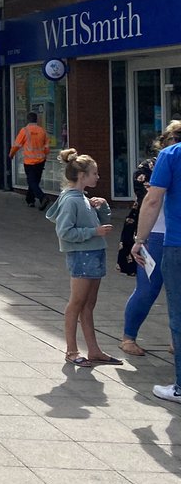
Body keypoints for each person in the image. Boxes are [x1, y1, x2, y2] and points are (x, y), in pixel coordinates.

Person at [46, 148, 119, 368]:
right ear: (81, 175)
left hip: (94, 253)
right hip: (82, 255)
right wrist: (93, 233)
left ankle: (94, 350)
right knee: (77, 303)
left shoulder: (83, 198)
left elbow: (98, 223)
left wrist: (103, 206)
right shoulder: (72, 200)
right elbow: (65, 232)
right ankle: (71, 350)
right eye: (94, 173)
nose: (97, 177)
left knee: (88, 304)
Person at [133, 119, 181, 403]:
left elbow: (153, 201)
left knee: (179, 314)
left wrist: (140, 240)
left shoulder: (170, 155)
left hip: (177, 243)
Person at [120, 128, 177, 356]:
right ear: (163, 142)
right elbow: (150, 200)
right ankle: (128, 337)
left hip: (173, 234)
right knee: (147, 289)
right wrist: (140, 239)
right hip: (155, 234)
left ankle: (176, 341)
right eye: (174, 139)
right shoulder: (151, 166)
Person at [10, 112, 50, 210]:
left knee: (32, 181)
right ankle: (30, 200)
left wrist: (11, 155)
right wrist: (44, 156)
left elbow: (16, 145)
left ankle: (42, 197)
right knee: (35, 182)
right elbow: (47, 147)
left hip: (29, 162)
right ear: (36, 120)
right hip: (40, 161)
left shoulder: (24, 131)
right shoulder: (42, 131)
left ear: (27, 120)